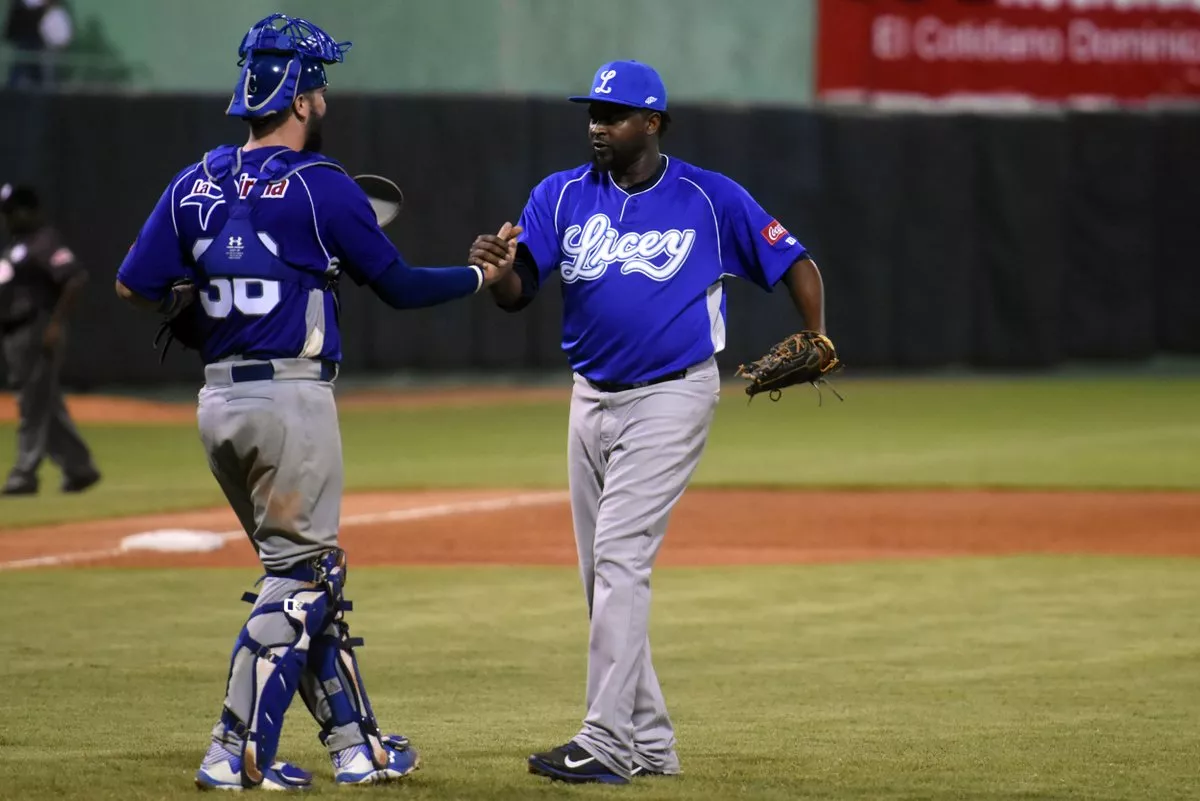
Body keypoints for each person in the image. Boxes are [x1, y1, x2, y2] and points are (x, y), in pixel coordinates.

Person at [113, 14, 518, 791]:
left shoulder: (194, 180)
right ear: (299, 95)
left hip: (218, 405)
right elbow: (396, 287)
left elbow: (135, 285)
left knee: (300, 577)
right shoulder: (319, 185)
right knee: (305, 582)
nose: (325, 96)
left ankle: (356, 747)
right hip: (290, 403)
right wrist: (479, 278)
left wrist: (196, 311)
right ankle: (232, 751)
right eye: (319, 82)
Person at [470, 60, 834, 785]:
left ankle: (605, 740)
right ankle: (651, 741)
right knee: (598, 574)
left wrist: (818, 334)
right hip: (589, 395)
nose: (598, 126)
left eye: (614, 114)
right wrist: (497, 269)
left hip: (672, 395)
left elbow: (796, 260)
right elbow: (519, 292)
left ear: (653, 123)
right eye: (592, 113)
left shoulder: (708, 195)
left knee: (620, 559)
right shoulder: (561, 194)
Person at [0, 181, 100, 496]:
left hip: (35, 328)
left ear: (29, 210)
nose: (8, 218)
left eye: (13, 211)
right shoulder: (19, 245)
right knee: (44, 403)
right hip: (15, 332)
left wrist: (55, 324)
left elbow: (74, 277)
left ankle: (24, 473)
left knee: (32, 404)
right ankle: (79, 467)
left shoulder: (44, 242)